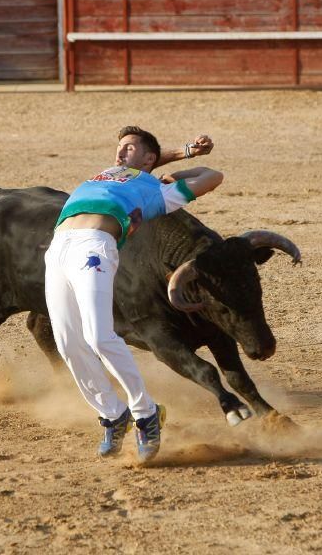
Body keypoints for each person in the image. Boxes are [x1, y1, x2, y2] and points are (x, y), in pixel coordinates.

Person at [43, 126, 224, 463]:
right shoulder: (113, 174)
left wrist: (175, 169)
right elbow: (140, 162)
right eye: (119, 147)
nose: (120, 152)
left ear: (148, 158)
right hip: (57, 250)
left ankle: (145, 412)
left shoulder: (158, 192)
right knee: (68, 343)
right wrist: (180, 150)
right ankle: (113, 415)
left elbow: (213, 175)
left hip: (93, 247)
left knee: (99, 336)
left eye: (128, 148)